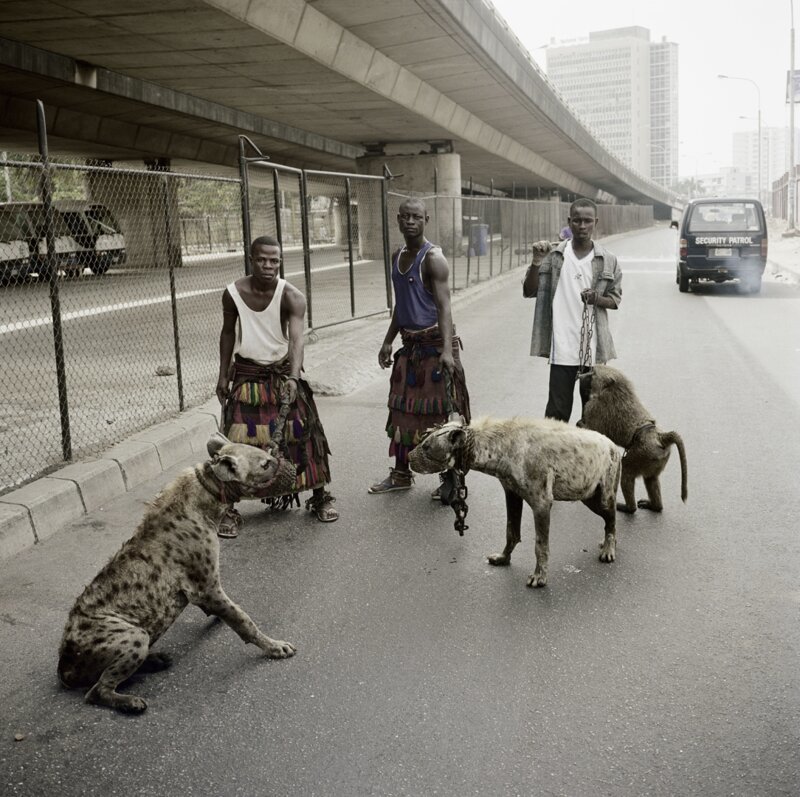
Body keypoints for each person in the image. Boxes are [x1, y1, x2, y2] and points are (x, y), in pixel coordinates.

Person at [215, 235, 338, 537]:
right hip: (246, 375)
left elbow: (296, 340)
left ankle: (320, 496)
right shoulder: (232, 293)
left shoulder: (291, 296)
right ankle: (229, 509)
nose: (269, 266)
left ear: (280, 261)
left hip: (283, 373)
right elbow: (228, 334)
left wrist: (294, 378)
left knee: (304, 436)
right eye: (262, 260)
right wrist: (222, 375)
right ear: (251, 259)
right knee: (236, 443)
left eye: (275, 260)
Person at [369, 197, 471, 495]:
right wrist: (388, 340)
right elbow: (401, 305)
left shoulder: (433, 258)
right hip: (409, 346)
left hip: (436, 346)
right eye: (405, 217)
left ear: (426, 220)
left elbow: (444, 306)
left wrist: (448, 351)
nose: (410, 222)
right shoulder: (396, 256)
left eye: (416, 217)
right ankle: (401, 475)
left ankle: (452, 479)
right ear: (398, 220)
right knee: (402, 412)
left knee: (444, 415)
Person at [523, 198, 622, 423]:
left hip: (593, 349)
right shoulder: (553, 255)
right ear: (569, 222)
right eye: (577, 221)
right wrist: (537, 262)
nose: (582, 226)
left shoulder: (608, 260)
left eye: (588, 221)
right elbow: (529, 291)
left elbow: (615, 300)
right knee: (556, 417)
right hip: (562, 349)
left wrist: (596, 298)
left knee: (592, 418)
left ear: (595, 222)